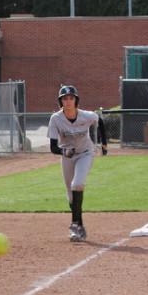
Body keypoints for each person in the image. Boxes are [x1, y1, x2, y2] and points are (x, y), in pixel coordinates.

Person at [48, 85, 107, 242]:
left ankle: (74, 226)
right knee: (71, 195)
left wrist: (104, 144)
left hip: (85, 153)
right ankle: (80, 225)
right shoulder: (56, 119)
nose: (68, 102)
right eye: (64, 99)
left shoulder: (85, 116)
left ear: (76, 101)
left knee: (78, 184)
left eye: (71, 98)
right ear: (60, 102)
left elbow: (99, 120)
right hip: (67, 156)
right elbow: (53, 147)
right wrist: (63, 152)